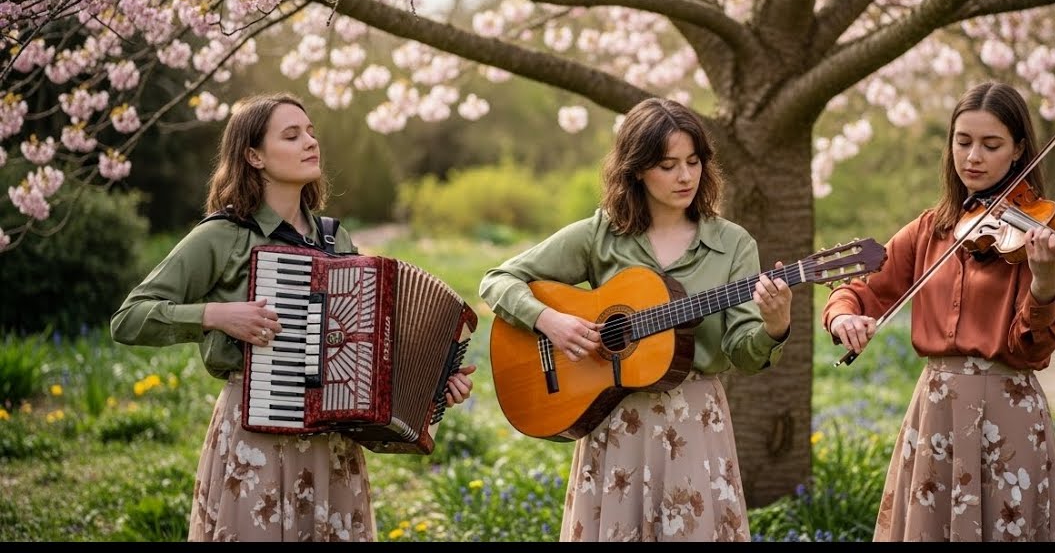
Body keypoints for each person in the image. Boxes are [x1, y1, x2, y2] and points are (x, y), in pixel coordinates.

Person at [111, 92, 476, 542]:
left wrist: (436, 384)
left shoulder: (333, 238)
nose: (310, 142)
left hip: (332, 445)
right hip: (257, 439)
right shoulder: (223, 237)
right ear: (253, 155)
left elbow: (364, 343)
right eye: (292, 135)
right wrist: (215, 315)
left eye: (311, 133)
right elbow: (130, 317)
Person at [478, 96, 793, 542]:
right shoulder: (601, 234)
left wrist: (774, 326)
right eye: (667, 165)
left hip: (694, 421)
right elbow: (498, 279)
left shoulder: (733, 244)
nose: (685, 176)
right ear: (637, 169)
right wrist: (548, 320)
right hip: (614, 421)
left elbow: (743, 351)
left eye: (693, 161)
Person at [821, 81, 1055, 542]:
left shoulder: (1033, 235)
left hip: (1008, 412)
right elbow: (860, 290)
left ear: (1018, 150)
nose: (973, 156)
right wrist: (843, 316)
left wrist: (1045, 282)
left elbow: (1035, 348)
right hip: (936, 410)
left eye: (990, 145)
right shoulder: (929, 229)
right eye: (963, 141)